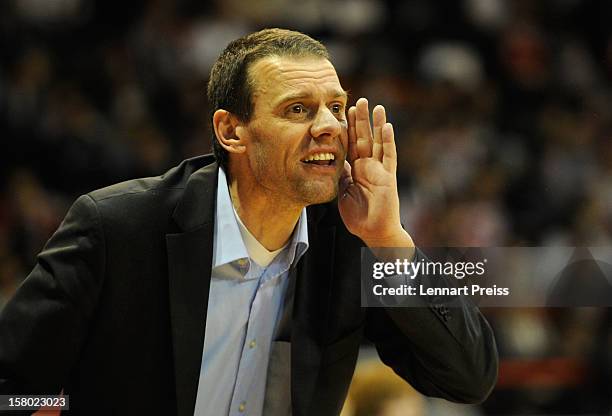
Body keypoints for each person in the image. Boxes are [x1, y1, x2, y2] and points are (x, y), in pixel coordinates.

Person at [0, 28, 497, 415]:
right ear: (231, 130)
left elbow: (467, 378)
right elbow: (11, 390)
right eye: (298, 109)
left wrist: (390, 241)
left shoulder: (352, 243)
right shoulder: (118, 228)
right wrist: (67, 407)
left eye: (337, 107)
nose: (328, 126)